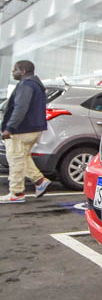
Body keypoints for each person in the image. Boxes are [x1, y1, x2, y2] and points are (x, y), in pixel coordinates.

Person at [0, 60, 50, 203]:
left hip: (21, 130)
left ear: (23, 71)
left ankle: (16, 193)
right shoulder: (37, 85)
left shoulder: (26, 85)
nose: (13, 72)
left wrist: (10, 128)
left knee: (15, 159)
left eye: (15, 69)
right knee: (22, 157)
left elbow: (20, 108)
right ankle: (40, 181)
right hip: (34, 129)